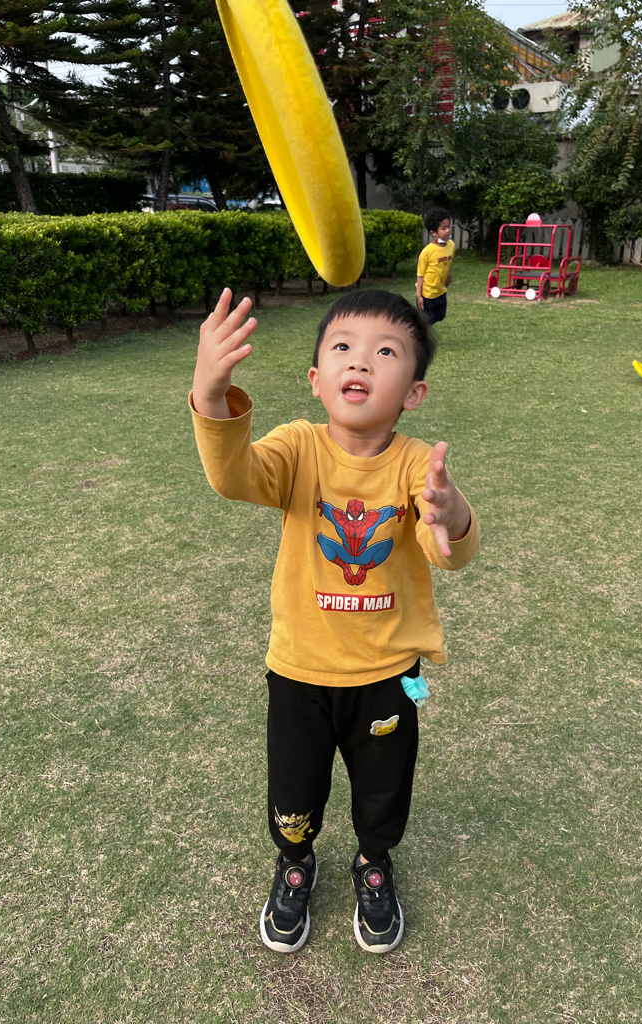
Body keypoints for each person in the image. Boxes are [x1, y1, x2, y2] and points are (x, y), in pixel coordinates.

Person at [190, 287, 479, 955]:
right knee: (294, 792)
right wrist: (210, 394)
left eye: (387, 352)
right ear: (317, 379)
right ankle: (295, 862)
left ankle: (373, 862)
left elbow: (447, 550)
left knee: (384, 789)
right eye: (343, 347)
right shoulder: (298, 447)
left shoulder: (415, 463)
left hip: (389, 677)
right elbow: (236, 476)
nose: (361, 361)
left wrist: (451, 513)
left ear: (414, 393)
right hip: (299, 672)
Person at [416, 207, 455, 325]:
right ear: (433, 233)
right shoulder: (427, 252)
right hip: (427, 294)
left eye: (449, 227)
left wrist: (449, 275)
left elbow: (448, 263)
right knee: (426, 322)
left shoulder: (451, 245)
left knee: (440, 316)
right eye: (444, 228)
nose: (448, 230)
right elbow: (420, 276)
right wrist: (419, 295)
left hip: (441, 290)